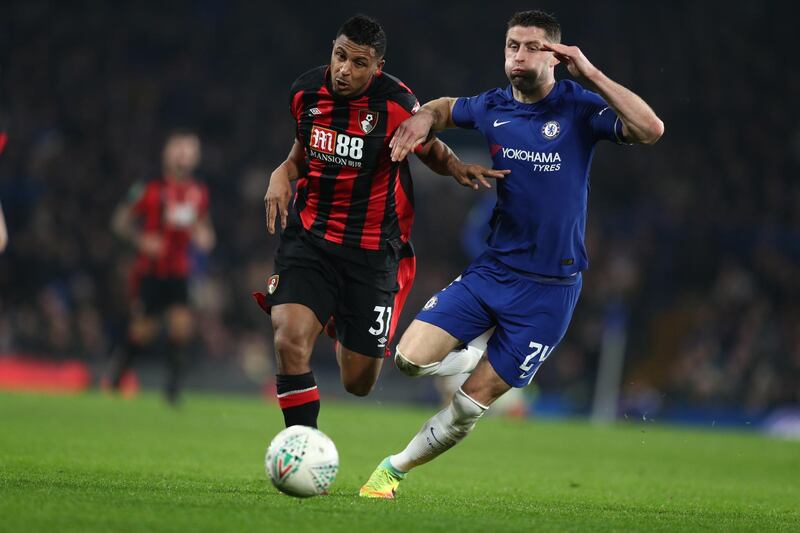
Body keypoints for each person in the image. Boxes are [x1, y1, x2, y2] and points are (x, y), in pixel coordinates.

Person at [360, 10, 664, 498]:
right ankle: (467, 363)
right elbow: (441, 108)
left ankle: (392, 470)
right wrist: (421, 119)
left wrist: (590, 74)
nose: (517, 55)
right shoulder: (492, 106)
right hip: (493, 271)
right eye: (511, 46)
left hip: (551, 291)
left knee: (467, 407)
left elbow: (650, 129)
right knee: (409, 360)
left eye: (529, 46)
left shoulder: (580, 107)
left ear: (555, 56)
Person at [254, 14, 505, 430]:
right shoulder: (305, 92)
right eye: (339, 56)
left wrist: (456, 167)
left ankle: (340, 317)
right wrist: (282, 173)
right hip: (311, 239)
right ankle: (302, 445)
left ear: (377, 67)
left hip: (371, 254)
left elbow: (430, 148)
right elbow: (303, 151)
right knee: (289, 339)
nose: (344, 70)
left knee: (358, 381)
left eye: (357, 63)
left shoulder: (395, 105)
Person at [109, 130, 215, 404]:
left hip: (180, 270)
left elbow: (202, 226)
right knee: (143, 330)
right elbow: (120, 220)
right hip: (151, 270)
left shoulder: (198, 192)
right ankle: (117, 376)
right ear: (167, 152)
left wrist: (205, 236)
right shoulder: (149, 186)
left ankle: (173, 391)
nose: (183, 154)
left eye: (189, 149)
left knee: (181, 326)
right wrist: (140, 239)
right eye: (178, 147)